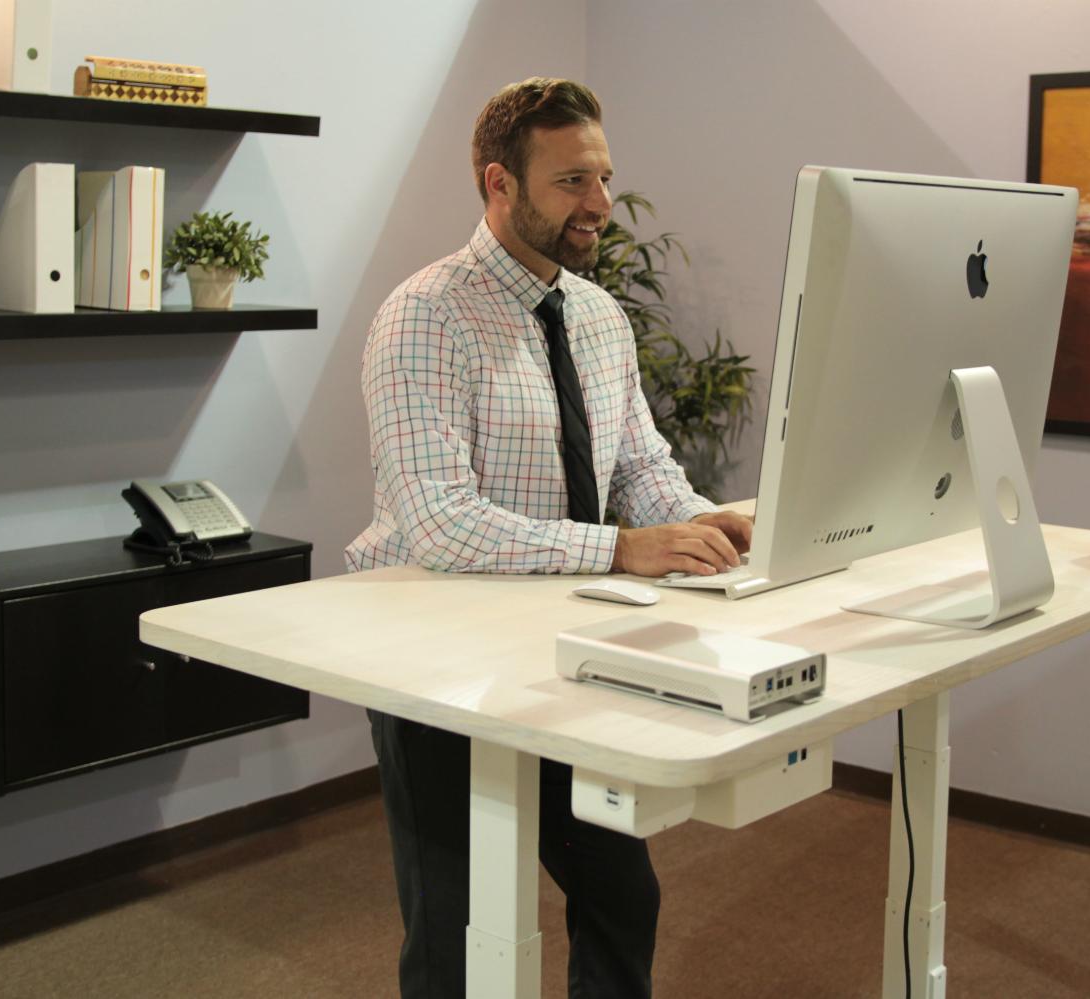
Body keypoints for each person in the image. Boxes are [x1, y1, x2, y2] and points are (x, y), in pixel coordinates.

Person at [345, 77, 753, 999]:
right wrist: (621, 547)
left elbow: (640, 469)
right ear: (500, 184)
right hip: (431, 664)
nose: (602, 205)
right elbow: (441, 523)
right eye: (573, 182)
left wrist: (705, 523)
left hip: (559, 650)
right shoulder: (424, 315)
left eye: (604, 178)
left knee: (621, 893)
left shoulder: (601, 319)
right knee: (455, 931)